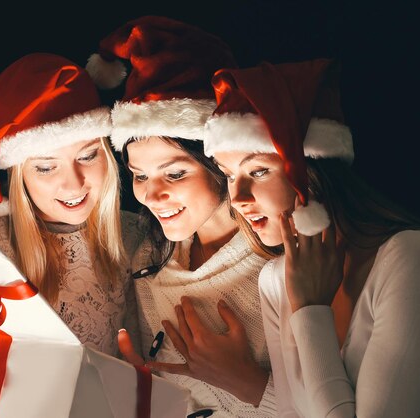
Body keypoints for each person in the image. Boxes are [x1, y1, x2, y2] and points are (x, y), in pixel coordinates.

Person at [204, 58, 420, 417]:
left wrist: (310, 310)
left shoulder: (415, 259)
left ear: (315, 171)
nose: (239, 198)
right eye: (228, 175)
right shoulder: (276, 280)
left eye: (258, 171)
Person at [0, 53, 144, 417]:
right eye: (46, 166)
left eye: (87, 156)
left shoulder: (135, 235)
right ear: (20, 174)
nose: (74, 183)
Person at [87, 16, 278, 417]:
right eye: (139, 175)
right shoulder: (149, 261)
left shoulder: (279, 260)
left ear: (219, 164)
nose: (152, 194)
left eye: (176, 173)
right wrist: (142, 388)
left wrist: (248, 383)